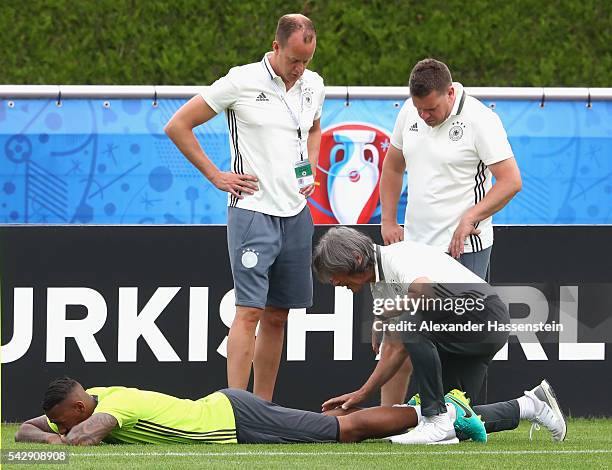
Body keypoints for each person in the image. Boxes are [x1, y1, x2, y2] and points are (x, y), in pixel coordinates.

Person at [164, 14, 324, 401]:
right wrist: (216, 176)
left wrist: (310, 168)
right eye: (293, 60)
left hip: (297, 214)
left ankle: (263, 409)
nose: (300, 69)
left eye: (307, 61)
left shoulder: (313, 84)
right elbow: (177, 125)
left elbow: (314, 126)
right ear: (275, 47)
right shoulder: (241, 80)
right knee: (249, 311)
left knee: (278, 315)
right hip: (252, 211)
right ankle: (236, 409)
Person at [313, 227, 566, 444]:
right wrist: (362, 393)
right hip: (465, 327)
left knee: (438, 417)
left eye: (334, 274)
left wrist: (386, 313)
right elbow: (394, 348)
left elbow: (426, 294)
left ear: (356, 258)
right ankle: (532, 405)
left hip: (483, 317)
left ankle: (436, 419)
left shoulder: (397, 257)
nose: (335, 282)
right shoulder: (378, 283)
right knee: (458, 417)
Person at [376, 58, 522, 406]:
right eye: (419, 109)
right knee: (397, 335)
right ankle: (385, 421)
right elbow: (393, 166)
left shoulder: (481, 120)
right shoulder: (408, 114)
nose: (424, 116)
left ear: (450, 92)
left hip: (463, 249)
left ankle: (454, 420)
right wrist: (389, 221)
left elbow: (511, 181)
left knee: (454, 342)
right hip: (412, 248)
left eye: (431, 108)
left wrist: (471, 215)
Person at [14, 377, 487, 445]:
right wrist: (49, 432)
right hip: (231, 416)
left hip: (234, 418)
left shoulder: (117, 407)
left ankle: (443, 409)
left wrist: (58, 439)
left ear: (80, 406)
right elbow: (21, 434)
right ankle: (441, 414)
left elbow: (77, 440)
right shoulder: (93, 395)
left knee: (342, 431)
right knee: (333, 429)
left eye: (64, 418)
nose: (60, 425)